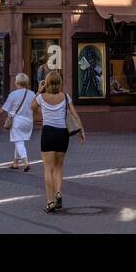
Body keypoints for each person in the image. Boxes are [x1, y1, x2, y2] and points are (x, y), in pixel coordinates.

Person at [32, 70, 84, 214]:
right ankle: (59, 193)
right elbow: (74, 114)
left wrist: (38, 90)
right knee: (59, 167)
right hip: (62, 134)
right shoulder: (65, 97)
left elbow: (31, 107)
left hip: (48, 133)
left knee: (48, 169)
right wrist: (81, 131)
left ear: (47, 83)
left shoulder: (41, 97)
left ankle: (50, 201)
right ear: (60, 83)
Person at [0, 73, 35, 171]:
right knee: (19, 140)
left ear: (16, 82)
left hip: (17, 121)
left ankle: (26, 162)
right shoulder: (32, 94)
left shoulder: (13, 94)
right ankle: (15, 163)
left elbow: (5, 108)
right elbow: (36, 106)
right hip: (28, 121)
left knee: (18, 142)